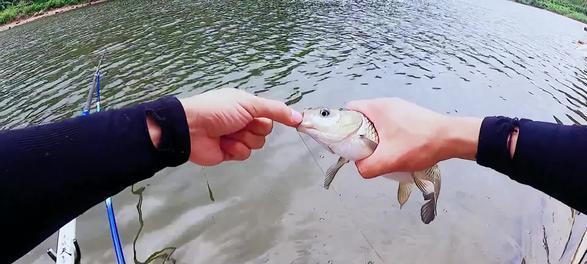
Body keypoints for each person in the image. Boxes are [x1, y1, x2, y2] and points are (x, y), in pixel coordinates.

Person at [1, 88, 585, 262]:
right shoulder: (341, 141)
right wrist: (166, 130)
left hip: (424, 172)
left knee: (425, 190)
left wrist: (165, 130)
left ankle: (428, 196)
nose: (315, 119)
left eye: (327, 116)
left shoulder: (377, 146)